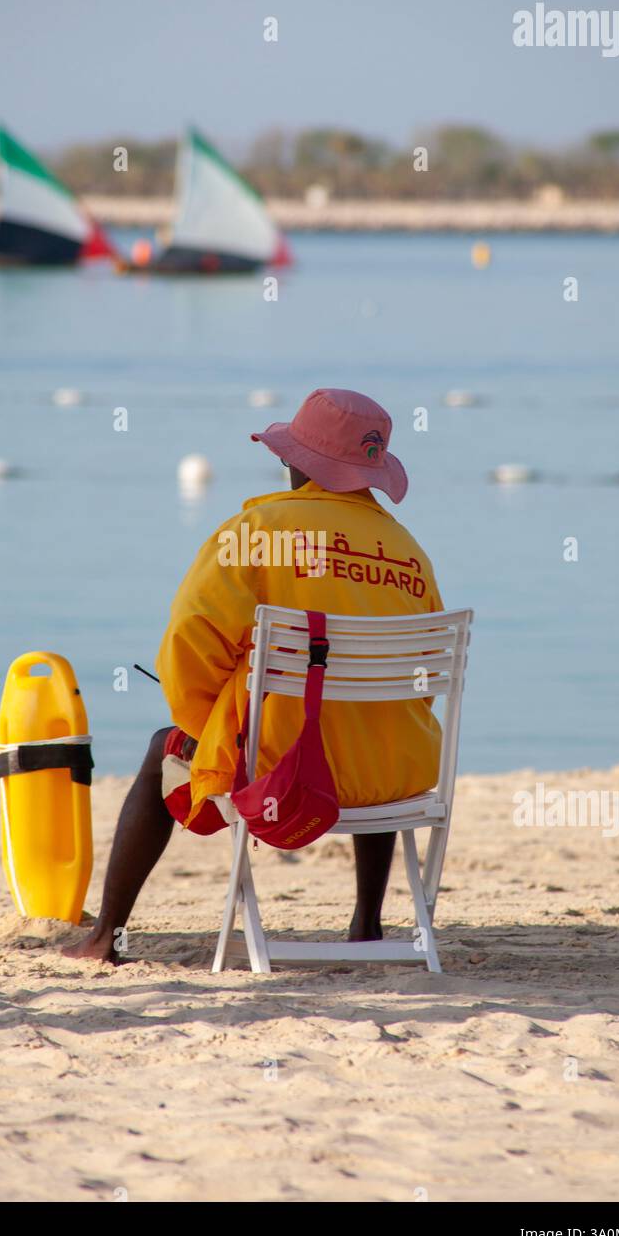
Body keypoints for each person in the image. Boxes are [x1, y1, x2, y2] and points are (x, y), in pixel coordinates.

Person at [64, 388, 444, 964]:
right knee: (364, 717)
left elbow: (191, 641)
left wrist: (207, 722)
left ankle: (105, 936)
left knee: (159, 748)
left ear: (298, 463)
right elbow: (421, 677)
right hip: (394, 773)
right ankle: (366, 922)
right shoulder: (409, 552)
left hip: (285, 770)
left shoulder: (257, 530)